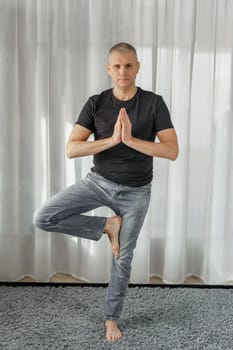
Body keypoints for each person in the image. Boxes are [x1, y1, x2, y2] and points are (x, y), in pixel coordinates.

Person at [33, 42, 179, 342]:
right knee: (43, 217)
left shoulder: (154, 103)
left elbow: (172, 150)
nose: (123, 71)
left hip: (136, 192)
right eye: (117, 66)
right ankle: (106, 226)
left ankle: (111, 319)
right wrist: (111, 141)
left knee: (123, 258)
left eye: (128, 65)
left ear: (137, 67)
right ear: (108, 69)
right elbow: (72, 149)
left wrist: (130, 140)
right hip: (97, 182)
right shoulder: (96, 103)